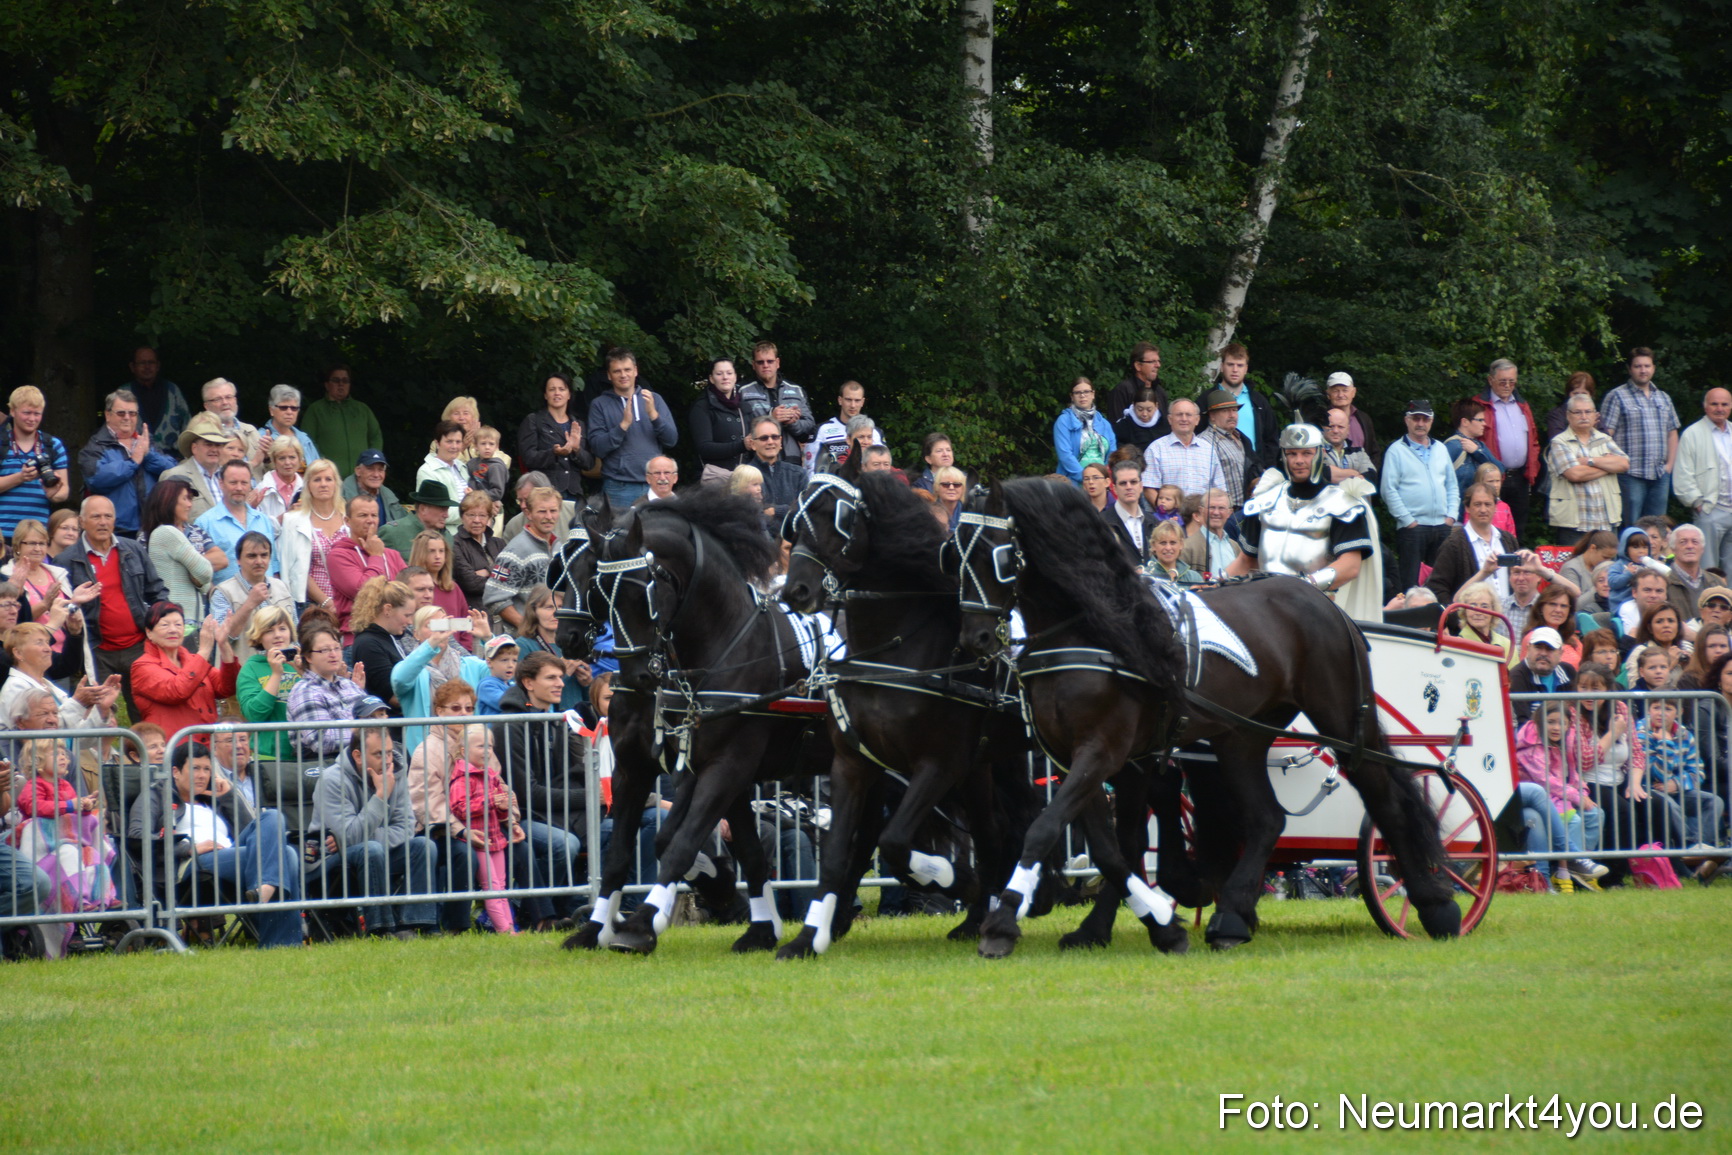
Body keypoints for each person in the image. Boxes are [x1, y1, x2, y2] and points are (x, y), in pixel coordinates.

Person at [128, 742, 303, 947]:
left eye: (207, 769)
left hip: (230, 855)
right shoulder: (156, 795)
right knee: (287, 855)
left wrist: (228, 797)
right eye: (195, 768)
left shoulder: (211, 799)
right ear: (175, 771)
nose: (202, 775)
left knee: (272, 817)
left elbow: (257, 831)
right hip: (192, 863)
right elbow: (136, 837)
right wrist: (188, 849)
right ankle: (281, 939)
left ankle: (264, 888)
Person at [1229, 423, 1384, 621]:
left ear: (1320, 453)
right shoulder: (1265, 500)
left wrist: (1305, 585)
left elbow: (1351, 565)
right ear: (1283, 456)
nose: (1299, 461)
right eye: (1292, 454)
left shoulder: (1343, 503)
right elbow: (1246, 560)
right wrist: (1215, 584)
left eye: (1306, 453)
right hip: (1264, 605)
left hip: (1315, 607)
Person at [309, 717, 440, 940]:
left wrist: (370, 834)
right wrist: (380, 796)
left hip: (374, 853)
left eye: (389, 752)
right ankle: (381, 929)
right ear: (358, 756)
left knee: (423, 846)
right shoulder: (332, 780)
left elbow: (406, 828)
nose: (388, 760)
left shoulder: (395, 773)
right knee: (370, 849)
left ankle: (417, 925)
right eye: (379, 754)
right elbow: (350, 837)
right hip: (331, 861)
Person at [490, 649, 585, 920]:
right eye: (551, 678)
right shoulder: (510, 725)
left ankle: (623, 907)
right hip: (523, 817)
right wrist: (589, 797)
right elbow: (527, 794)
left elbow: (575, 772)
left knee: (624, 827)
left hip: (559, 811)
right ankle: (546, 914)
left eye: (560, 677)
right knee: (564, 844)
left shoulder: (557, 720)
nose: (561, 683)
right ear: (529, 683)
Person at [55, 495, 169, 718]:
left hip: (138, 645)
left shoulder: (133, 549)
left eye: (108, 516)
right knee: (100, 715)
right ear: (81, 521)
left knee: (145, 709)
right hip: (97, 650)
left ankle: (144, 752)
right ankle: (104, 753)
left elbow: (156, 590)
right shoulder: (66, 560)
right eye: (95, 516)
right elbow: (61, 606)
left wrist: (161, 623)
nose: (103, 522)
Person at [11, 736, 116, 914]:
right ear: (38, 763)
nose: (62, 757)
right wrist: (69, 805)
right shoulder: (34, 785)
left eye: (63, 753)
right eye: (55, 754)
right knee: (69, 857)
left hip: (69, 839)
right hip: (45, 846)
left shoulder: (66, 785)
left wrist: (84, 807)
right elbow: (33, 806)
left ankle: (103, 896)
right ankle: (77, 899)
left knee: (93, 856)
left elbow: (72, 814)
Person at [1514, 706, 1605, 892]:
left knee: (1595, 814)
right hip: (1543, 796)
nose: (1556, 727)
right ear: (1539, 723)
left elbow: (1573, 773)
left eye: (1562, 723)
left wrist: (1582, 793)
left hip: (1560, 795)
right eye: (1550, 722)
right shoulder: (1530, 747)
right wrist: (1575, 796)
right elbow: (1544, 780)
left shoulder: (1566, 742)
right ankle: (1569, 864)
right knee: (1573, 819)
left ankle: (1580, 866)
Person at [1574, 662, 1646, 886]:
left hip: (1619, 778)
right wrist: (1612, 733)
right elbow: (1584, 760)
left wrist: (1634, 784)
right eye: (1583, 687)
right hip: (1586, 782)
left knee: (1648, 803)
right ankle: (1611, 877)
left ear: (1608, 689)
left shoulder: (1621, 709)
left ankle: (1654, 867)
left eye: (1596, 689)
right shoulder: (1573, 713)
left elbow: (1636, 753)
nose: (1588, 695)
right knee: (1622, 811)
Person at [446, 724, 521, 934]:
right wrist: (491, 801)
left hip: (496, 838)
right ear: (463, 751)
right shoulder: (462, 778)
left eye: (489, 746)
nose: (487, 751)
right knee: (492, 887)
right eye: (481, 746)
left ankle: (510, 927)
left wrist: (506, 808)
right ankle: (504, 930)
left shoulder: (491, 775)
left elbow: (500, 809)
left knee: (502, 886)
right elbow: (460, 808)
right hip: (480, 841)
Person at [1381, 399, 1459, 593]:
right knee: (1410, 582)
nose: (1420, 424)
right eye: (1416, 419)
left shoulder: (1441, 448)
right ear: (1407, 420)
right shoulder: (1396, 451)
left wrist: (1451, 516)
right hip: (1413, 528)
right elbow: (1388, 489)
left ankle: (1438, 621)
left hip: (1442, 526)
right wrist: (1408, 521)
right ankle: (1410, 622)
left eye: (1425, 419)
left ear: (1431, 422)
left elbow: (1452, 485)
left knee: (1441, 581)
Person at [130, 602, 239, 740]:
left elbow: (227, 688)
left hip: (206, 749)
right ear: (149, 632)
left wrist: (223, 645)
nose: (173, 630)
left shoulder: (193, 660)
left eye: (178, 624)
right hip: (172, 750)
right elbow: (177, 691)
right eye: (164, 625)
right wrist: (204, 651)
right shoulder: (142, 666)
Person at [586, 347, 678, 508]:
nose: (623, 375)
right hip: (619, 487)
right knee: (621, 532)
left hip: (655, 485)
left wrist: (654, 416)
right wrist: (623, 425)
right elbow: (598, 448)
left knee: (656, 533)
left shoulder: (654, 399)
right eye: (617, 371)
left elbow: (671, 440)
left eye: (627, 369)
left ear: (636, 371)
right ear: (609, 375)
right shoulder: (599, 404)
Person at [393, 604, 490, 754]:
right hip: (426, 755)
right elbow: (399, 680)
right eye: (431, 625)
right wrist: (431, 644)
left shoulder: (470, 665)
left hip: (468, 754)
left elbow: (505, 670)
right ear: (416, 634)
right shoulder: (412, 670)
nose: (440, 630)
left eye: (444, 623)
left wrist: (488, 638)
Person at [1599, 346, 1680, 526]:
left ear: (1653, 368)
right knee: (1630, 527)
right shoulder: (1616, 396)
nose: (1643, 370)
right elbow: (1604, 436)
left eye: (1647, 366)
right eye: (1638, 366)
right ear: (1629, 369)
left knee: (1657, 529)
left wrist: (1669, 466)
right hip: (1630, 474)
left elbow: (1672, 432)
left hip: (1659, 474)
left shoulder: (1663, 398)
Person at [1636, 696, 1723, 850]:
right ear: (1648, 710)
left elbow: (1697, 771)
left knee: (1713, 801)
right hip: (1650, 789)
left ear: (1679, 712)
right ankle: (1687, 847)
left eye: (1668, 709)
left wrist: (1676, 783)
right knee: (1669, 805)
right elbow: (1655, 774)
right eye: (1656, 707)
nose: (1661, 713)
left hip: (1678, 788)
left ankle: (1698, 847)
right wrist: (1666, 743)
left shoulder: (1685, 735)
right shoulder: (1641, 733)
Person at [0, 622, 116, 732]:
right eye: (39, 643)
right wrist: (77, 702)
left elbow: (76, 739)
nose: (48, 649)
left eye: (47, 642)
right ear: (18, 653)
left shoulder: (49, 687)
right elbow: (39, 731)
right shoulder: (15, 687)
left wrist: (102, 709)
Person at [1546, 392, 1628, 537]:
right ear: (1568, 415)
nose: (1583, 416)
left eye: (1588, 412)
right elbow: (1575, 474)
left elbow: (1624, 463)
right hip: (1574, 525)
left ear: (1595, 415)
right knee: (1575, 561)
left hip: (1606, 521)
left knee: (1608, 561)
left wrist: (1591, 461)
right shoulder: (1559, 442)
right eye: (1578, 412)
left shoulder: (1605, 439)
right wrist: (1608, 467)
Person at [483, 485, 563, 632]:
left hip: (555, 638)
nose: (549, 517)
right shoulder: (515, 551)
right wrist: (529, 629)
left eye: (553, 511)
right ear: (529, 513)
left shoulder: (560, 549)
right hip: (526, 642)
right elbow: (495, 598)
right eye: (542, 511)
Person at [144, 477, 218, 634]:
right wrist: (197, 577)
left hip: (178, 621)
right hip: (181, 623)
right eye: (184, 498)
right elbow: (205, 572)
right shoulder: (168, 532)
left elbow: (203, 583)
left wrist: (199, 578)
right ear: (168, 500)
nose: (190, 504)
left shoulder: (159, 532)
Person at [1424, 484, 1517, 608]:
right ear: (1467, 508)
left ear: (1495, 507)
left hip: (1508, 622)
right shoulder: (1454, 544)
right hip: (1471, 623)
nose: (1483, 510)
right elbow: (1437, 588)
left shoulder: (1508, 540)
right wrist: (1455, 620)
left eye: (1488, 504)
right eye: (1477, 504)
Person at [1477, 358, 1541, 537]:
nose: (1507, 386)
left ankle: (1514, 564)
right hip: (1492, 476)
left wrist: (1532, 470)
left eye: (1511, 381)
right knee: (1491, 525)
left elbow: (1533, 440)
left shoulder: (1522, 405)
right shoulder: (1481, 406)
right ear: (1491, 380)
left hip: (1521, 476)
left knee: (1517, 528)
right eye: (1502, 381)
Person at [286, 624, 371, 758]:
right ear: (308, 657)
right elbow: (322, 741)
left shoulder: (350, 685)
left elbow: (376, 720)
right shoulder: (304, 691)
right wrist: (364, 733)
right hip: (326, 768)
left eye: (337, 648)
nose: (333, 654)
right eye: (324, 650)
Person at [327, 497, 406, 640]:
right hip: (359, 637)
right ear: (347, 521)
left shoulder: (393, 555)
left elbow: (408, 592)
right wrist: (376, 556)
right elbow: (364, 591)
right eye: (363, 515)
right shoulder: (338, 555)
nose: (370, 520)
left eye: (374, 515)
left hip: (396, 637)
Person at [209, 532, 296, 661]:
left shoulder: (282, 587)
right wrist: (249, 603)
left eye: (264, 555)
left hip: (283, 673)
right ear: (238, 560)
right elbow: (223, 637)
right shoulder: (222, 592)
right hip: (243, 674)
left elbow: (295, 635)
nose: (259, 561)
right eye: (252, 556)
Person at [193, 460, 278, 587]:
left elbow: (274, 565)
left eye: (244, 483)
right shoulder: (204, 523)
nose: (239, 488)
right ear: (221, 483)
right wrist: (214, 596)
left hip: (267, 600)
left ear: (250, 485)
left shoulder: (263, 520)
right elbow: (197, 570)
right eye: (233, 482)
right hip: (227, 602)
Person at [234, 605, 301, 762]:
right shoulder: (251, 668)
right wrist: (276, 674)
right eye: (269, 630)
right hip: (268, 757)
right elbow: (254, 714)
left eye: (283, 629)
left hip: (306, 755)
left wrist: (304, 673)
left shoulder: (304, 663)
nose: (277, 635)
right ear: (259, 637)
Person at [1677, 388, 1732, 575]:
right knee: (1708, 570)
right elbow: (1682, 474)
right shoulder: (1692, 434)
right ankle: (1707, 604)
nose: (1719, 408)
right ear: (1705, 406)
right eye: (1714, 404)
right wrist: (1698, 503)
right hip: (1710, 510)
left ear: (1731, 407)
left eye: (1724, 404)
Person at [512, 584, 592, 711]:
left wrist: (587, 684)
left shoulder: (574, 644)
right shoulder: (523, 645)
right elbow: (521, 693)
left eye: (560, 607)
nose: (556, 613)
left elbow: (588, 700)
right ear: (534, 611)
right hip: (546, 721)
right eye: (549, 607)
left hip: (578, 721)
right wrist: (562, 673)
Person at [2, 520, 76, 656]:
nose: (38, 549)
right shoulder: (6, 576)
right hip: (31, 654)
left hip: (63, 653)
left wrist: (77, 601)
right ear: (18, 546)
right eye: (31, 543)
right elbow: (15, 620)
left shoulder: (58, 573)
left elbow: (66, 611)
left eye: (42, 543)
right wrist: (45, 604)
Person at [0, 387, 65, 542]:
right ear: (13, 411)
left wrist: (53, 494)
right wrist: (20, 477)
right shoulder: (1, 443)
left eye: (37, 414)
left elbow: (65, 490)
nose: (32, 419)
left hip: (37, 534)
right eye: (26, 412)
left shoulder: (52, 445)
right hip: (2, 534)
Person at [281, 459, 345, 613]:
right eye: (317, 479)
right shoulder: (292, 520)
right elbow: (293, 568)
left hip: (347, 604)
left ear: (336, 484)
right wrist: (327, 602)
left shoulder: (348, 518)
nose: (323, 484)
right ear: (308, 485)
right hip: (310, 607)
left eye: (328, 479)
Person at [739, 340, 816, 465]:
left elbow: (810, 428)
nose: (765, 365)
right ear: (753, 365)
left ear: (777, 363)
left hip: (792, 460)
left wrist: (792, 423)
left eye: (770, 361)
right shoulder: (742, 391)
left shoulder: (796, 390)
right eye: (760, 362)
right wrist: (771, 418)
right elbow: (739, 429)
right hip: (756, 462)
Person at [300, 363, 382, 478]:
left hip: (361, 479)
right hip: (329, 478)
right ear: (327, 385)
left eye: (345, 380)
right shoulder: (316, 410)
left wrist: (371, 461)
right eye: (336, 380)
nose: (341, 384)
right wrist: (323, 463)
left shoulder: (362, 409)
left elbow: (376, 436)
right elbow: (307, 441)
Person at [349, 578, 416, 714]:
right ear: (387, 609)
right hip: (389, 729)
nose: (410, 621)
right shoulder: (368, 644)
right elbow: (394, 697)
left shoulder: (389, 638)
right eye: (407, 615)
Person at [1141, 398, 1225, 499]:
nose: (1184, 419)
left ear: (1197, 420)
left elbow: (1220, 489)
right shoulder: (1156, 449)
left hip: (1202, 513)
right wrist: (1165, 514)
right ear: (1170, 419)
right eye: (1179, 414)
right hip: (1168, 513)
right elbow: (1149, 489)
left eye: (1188, 415)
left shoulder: (1208, 450)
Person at [688, 357, 754, 483]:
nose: (725, 377)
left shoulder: (744, 407)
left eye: (729, 373)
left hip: (742, 480)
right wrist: (742, 445)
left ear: (735, 377)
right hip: (714, 482)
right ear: (711, 379)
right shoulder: (702, 407)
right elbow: (704, 448)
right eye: (719, 374)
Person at [118, 346, 191, 458]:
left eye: (151, 362)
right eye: (142, 363)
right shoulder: (123, 394)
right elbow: (114, 428)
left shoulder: (173, 391)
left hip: (173, 461)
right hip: (135, 461)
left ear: (158, 366)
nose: (147, 367)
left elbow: (187, 425)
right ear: (132, 367)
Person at [1197, 387, 1261, 512]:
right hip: (1222, 511)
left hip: (1247, 507)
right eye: (1226, 411)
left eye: (1234, 410)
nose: (1232, 415)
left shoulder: (1242, 438)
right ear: (1212, 415)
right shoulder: (1205, 442)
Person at [158, 412, 229, 520]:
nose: (214, 449)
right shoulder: (174, 476)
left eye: (218, 445)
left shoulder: (229, 476)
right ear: (194, 448)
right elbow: (161, 519)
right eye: (208, 444)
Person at [1212, 342, 1278, 456]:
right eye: (1230, 364)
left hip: (1254, 470)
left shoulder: (1259, 402)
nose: (1235, 370)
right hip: (1219, 467)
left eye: (1240, 365)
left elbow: (1271, 439)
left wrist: (1265, 469)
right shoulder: (1208, 399)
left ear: (1246, 369)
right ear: (1222, 367)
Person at [806, 380, 883, 473]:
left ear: (863, 402)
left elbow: (883, 465)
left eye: (857, 400)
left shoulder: (875, 432)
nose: (853, 405)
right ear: (840, 400)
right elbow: (810, 467)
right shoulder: (822, 430)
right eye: (848, 400)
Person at [745, 417, 808, 524]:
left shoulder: (798, 473)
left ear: (781, 441)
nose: (770, 442)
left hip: (793, 538)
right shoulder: (743, 475)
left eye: (775, 437)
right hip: (758, 538)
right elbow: (748, 516)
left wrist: (774, 510)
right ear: (752, 444)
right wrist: (789, 509)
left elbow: (806, 511)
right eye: (764, 438)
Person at [451, 490, 504, 614]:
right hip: (475, 613)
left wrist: (487, 571)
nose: (477, 520)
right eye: (471, 515)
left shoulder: (499, 543)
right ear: (462, 517)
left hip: (504, 612)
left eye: (482, 515)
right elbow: (471, 583)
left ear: (489, 518)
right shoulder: (455, 544)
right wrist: (497, 573)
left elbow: (512, 577)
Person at [1053, 377, 1115, 483]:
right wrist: (1086, 478)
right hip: (1072, 481)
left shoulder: (1104, 423)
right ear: (1072, 396)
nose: (1082, 395)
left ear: (1093, 394)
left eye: (1086, 391)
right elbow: (1065, 455)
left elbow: (1112, 453)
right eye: (1077, 393)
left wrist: (1102, 478)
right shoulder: (1063, 421)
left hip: (1101, 481)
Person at [1508, 627, 1576, 723]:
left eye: (1550, 649)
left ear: (1560, 653)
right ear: (1528, 649)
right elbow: (1523, 721)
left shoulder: (1568, 671)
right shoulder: (1517, 676)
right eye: (1538, 647)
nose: (1543, 653)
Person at [197, 377, 263, 472]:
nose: (225, 402)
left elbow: (269, 471)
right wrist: (253, 464)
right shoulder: (202, 433)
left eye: (228, 397)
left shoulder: (250, 430)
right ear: (206, 406)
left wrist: (267, 457)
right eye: (217, 399)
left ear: (235, 400)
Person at [417, 420, 471, 532]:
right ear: (437, 443)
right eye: (449, 441)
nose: (454, 446)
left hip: (468, 533)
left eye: (458, 442)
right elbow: (432, 513)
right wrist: (472, 511)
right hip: (443, 535)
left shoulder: (463, 468)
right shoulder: (427, 471)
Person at [1446, 581, 1514, 663]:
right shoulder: (1455, 644)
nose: (1478, 612)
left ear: (1494, 610)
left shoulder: (1507, 644)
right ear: (1465, 611)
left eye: (1484, 606)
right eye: (1472, 606)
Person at [1179, 488, 1240, 579]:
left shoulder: (1235, 547)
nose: (1216, 512)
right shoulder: (1187, 547)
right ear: (1201, 511)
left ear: (1229, 513)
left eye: (1221, 508)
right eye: (1211, 507)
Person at [1444, 398, 1500, 494]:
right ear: (1465, 422)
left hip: (1478, 506)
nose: (1485, 424)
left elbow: (1499, 470)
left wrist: (1476, 452)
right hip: (1458, 507)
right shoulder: (1453, 446)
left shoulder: (1479, 445)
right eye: (1480, 420)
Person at [1322, 372, 1380, 464]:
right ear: (1328, 394)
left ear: (1353, 392)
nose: (1340, 395)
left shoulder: (1364, 418)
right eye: (1335, 391)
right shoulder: (1320, 418)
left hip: (1362, 475)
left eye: (1345, 390)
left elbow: (1374, 451)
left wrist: (1369, 474)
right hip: (1331, 475)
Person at [257, 383, 320, 469]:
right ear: (271, 410)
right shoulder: (260, 438)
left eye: (294, 408)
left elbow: (318, 470)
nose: (289, 412)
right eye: (283, 407)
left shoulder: (304, 439)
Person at [1105, 341, 1167, 427]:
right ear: (1138, 365)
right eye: (1152, 361)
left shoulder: (1160, 392)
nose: (1158, 365)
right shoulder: (1122, 391)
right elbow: (1115, 426)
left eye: (1158, 361)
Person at [340, 448, 407, 526]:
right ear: (358, 471)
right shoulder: (340, 496)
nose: (376, 475)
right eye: (370, 469)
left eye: (380, 470)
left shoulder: (390, 497)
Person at [1104, 462, 1152, 564]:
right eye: (1123, 483)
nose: (1129, 487)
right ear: (1114, 488)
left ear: (1141, 486)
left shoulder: (1154, 522)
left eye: (1133, 482)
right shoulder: (1101, 523)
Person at [252, 437, 306, 526]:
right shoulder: (262, 490)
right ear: (274, 461)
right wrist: (286, 517)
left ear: (300, 460)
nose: (287, 462)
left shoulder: (307, 489)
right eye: (282, 458)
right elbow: (259, 527)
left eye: (292, 457)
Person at [1663, 524, 1710, 625]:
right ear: (1672, 549)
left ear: (1702, 549)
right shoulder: (1662, 582)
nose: (1690, 546)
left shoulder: (1716, 582)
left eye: (1695, 542)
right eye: (1683, 542)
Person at [1527, 585, 1583, 668]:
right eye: (1553, 604)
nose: (1558, 610)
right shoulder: (1531, 638)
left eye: (1563, 606)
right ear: (1541, 607)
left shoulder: (1574, 641)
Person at [1319, 405, 1376, 486]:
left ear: (1348, 430)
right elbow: (1321, 474)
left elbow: (1372, 476)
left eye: (1340, 427)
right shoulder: (1315, 451)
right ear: (1322, 427)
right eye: (1331, 426)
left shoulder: (1359, 452)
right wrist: (1355, 474)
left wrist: (1337, 474)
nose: (1335, 431)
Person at [1558, 531, 1618, 605]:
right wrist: (1596, 589)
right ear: (1592, 548)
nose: (1608, 562)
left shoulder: (1609, 568)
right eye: (1605, 557)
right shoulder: (1571, 569)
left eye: (1611, 559)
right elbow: (1571, 605)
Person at [1544, 371, 1599, 442]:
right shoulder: (1556, 414)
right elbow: (1557, 440)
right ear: (1568, 394)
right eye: (1575, 393)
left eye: (1584, 393)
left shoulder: (1593, 413)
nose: (1579, 396)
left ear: (1590, 395)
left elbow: (1606, 440)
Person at [1112, 388, 1168, 456]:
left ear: (1156, 406)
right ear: (1133, 405)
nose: (1144, 414)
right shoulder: (1123, 426)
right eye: (1140, 409)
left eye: (1149, 410)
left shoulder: (1166, 423)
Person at [1147, 519, 1202, 586]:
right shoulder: (1145, 577)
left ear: (1181, 544)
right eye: (1163, 543)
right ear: (1153, 545)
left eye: (1173, 543)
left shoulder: (1194, 578)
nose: (1168, 548)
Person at [478, 636, 517, 713]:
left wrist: (529, 704)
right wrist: (528, 704)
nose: (511, 665)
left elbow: (528, 704)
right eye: (504, 660)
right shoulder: (486, 685)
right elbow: (507, 703)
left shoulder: (513, 685)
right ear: (489, 662)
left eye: (514, 660)